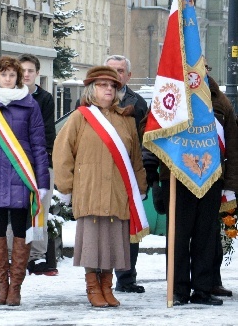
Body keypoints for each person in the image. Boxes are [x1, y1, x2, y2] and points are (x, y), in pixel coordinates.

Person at [53, 66, 147, 308]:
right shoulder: (80, 117)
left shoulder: (126, 120)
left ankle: (107, 286)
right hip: (90, 189)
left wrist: (141, 187)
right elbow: (62, 153)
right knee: (93, 243)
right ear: (92, 89)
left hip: (118, 191)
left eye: (112, 86)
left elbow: (136, 158)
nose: (108, 89)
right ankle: (93, 287)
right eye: (103, 85)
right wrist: (65, 187)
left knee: (114, 243)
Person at [148, 71, 238, 306]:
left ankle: (203, 289)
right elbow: (150, 137)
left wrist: (229, 184)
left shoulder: (219, 100)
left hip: (210, 176)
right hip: (176, 178)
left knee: (205, 238)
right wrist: (155, 181)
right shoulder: (170, 96)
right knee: (178, 237)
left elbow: (233, 146)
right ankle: (178, 290)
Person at [0, 56, 50, 306]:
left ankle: (16, 287)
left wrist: (43, 181)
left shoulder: (30, 105)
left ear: (18, 78)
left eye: (12, 75)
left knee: (20, 229)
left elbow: (38, 145)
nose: (8, 78)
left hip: (21, 175)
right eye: (3, 74)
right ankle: (1, 287)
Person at [103, 55, 149, 294]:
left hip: (127, 176)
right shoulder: (90, 100)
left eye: (120, 71)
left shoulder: (138, 103)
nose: (116, 75)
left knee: (129, 231)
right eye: (111, 70)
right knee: (100, 229)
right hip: (100, 175)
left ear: (128, 76)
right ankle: (100, 279)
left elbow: (144, 145)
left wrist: (143, 179)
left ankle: (126, 278)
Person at [19, 54, 57, 276]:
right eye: (22, 70)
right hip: (15, 161)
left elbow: (47, 132)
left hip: (40, 161)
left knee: (39, 208)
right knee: (14, 207)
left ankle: (36, 256)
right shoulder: (10, 97)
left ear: (37, 74)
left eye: (30, 71)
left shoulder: (45, 99)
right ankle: (14, 254)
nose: (26, 74)